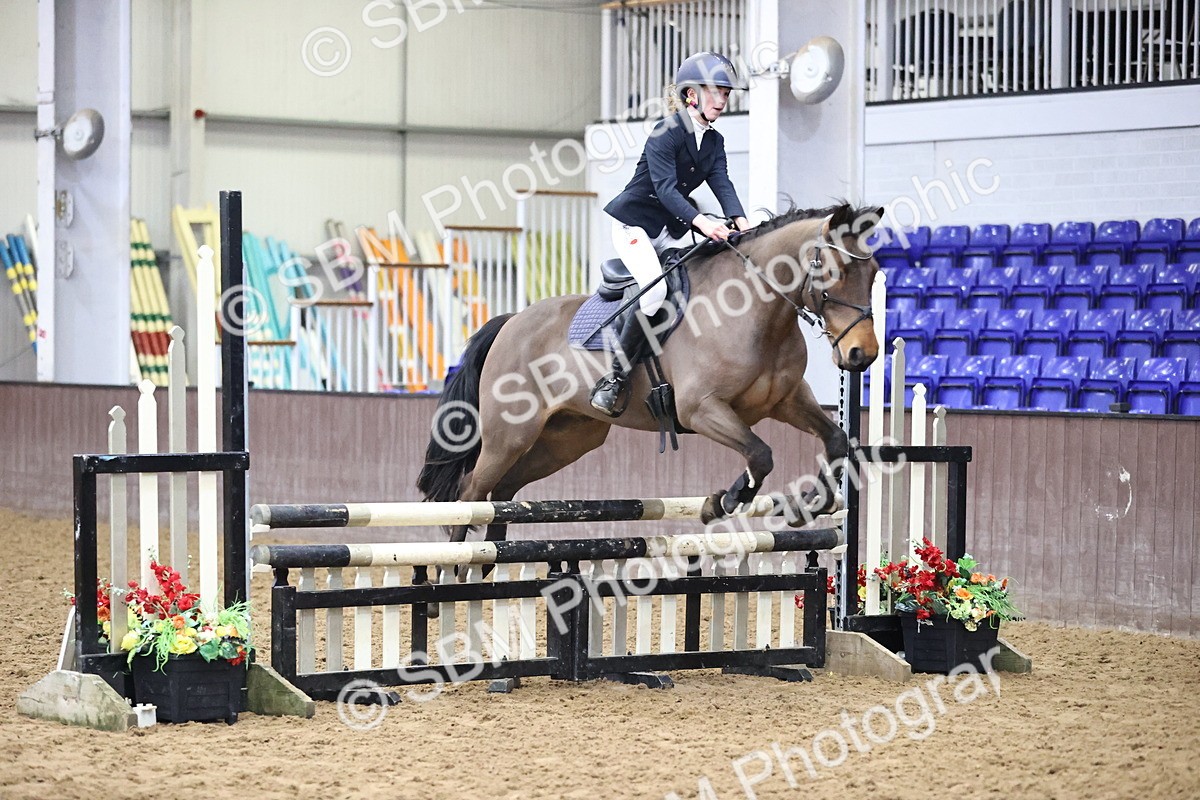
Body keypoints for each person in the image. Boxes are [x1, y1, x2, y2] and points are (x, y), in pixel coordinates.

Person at [590, 51, 751, 417]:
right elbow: (665, 190)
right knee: (655, 292)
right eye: (715, 92)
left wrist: (742, 222)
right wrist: (705, 224)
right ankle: (614, 378)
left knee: (703, 277)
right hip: (634, 226)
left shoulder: (714, 142)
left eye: (726, 93)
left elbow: (722, 183)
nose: (722, 100)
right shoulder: (666, 132)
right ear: (691, 95)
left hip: (671, 228)